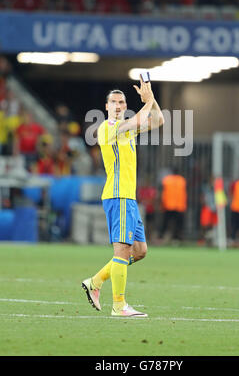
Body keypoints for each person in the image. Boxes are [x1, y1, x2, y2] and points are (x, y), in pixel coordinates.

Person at [82, 78, 164, 317]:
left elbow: (159, 120)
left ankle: (95, 282)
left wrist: (151, 98)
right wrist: (146, 102)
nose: (118, 105)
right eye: (113, 102)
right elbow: (139, 119)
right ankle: (119, 306)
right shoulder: (108, 127)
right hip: (118, 196)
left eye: (122, 102)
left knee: (139, 251)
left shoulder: (128, 128)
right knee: (122, 251)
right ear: (106, 107)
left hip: (129, 198)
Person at [159, 166, 187, 243]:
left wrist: (162, 203)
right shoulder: (182, 180)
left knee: (166, 222)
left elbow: (163, 193)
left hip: (168, 205)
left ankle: (161, 237)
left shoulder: (167, 180)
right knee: (178, 224)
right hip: (179, 206)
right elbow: (184, 194)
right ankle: (177, 238)